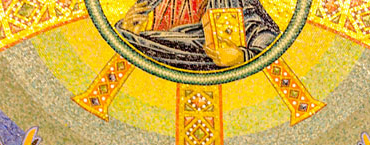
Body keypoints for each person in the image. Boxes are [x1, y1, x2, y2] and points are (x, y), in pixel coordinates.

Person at [115, 0, 280, 71]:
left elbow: (264, 36)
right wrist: (126, 32)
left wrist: (242, 57)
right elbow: (135, 44)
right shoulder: (150, 4)